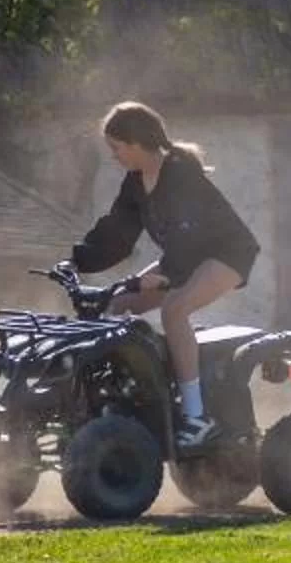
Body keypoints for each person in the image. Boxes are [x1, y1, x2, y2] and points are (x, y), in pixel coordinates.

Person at [74, 101, 262, 449]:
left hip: (226, 253)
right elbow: (117, 233)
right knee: (119, 306)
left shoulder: (180, 174)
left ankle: (196, 417)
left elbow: (192, 236)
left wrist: (167, 278)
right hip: (184, 256)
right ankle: (139, 394)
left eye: (115, 148)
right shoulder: (134, 183)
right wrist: (76, 260)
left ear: (134, 142)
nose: (114, 156)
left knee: (174, 309)